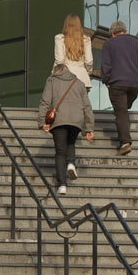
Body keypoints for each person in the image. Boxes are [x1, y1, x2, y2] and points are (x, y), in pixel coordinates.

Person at [37, 62, 94, 195]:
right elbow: (87, 106)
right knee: (71, 142)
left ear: (55, 71)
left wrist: (42, 122)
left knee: (60, 152)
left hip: (59, 119)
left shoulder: (51, 80)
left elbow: (45, 101)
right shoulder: (78, 82)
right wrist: (89, 128)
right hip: (76, 119)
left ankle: (62, 184)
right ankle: (71, 164)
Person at [98, 20, 138, 155]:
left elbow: (106, 64)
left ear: (112, 34)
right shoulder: (137, 43)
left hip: (117, 83)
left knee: (121, 112)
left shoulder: (109, 43)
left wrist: (106, 80)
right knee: (124, 109)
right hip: (133, 84)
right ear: (125, 31)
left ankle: (125, 142)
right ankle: (123, 127)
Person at [53, 14, 94, 88]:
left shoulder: (59, 38)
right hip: (82, 79)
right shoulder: (86, 40)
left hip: (64, 79)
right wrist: (86, 72)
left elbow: (59, 60)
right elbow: (89, 61)